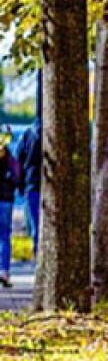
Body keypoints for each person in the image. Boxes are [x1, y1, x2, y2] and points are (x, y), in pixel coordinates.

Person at [15, 121, 40, 258]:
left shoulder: (28, 133)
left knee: (36, 227)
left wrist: (20, 187)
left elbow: (17, 161)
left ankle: (39, 258)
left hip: (31, 186)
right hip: (46, 185)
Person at [0, 141, 21, 287]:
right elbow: (17, 176)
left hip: (5, 200)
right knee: (5, 236)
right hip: (6, 200)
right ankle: (4, 271)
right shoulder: (10, 159)